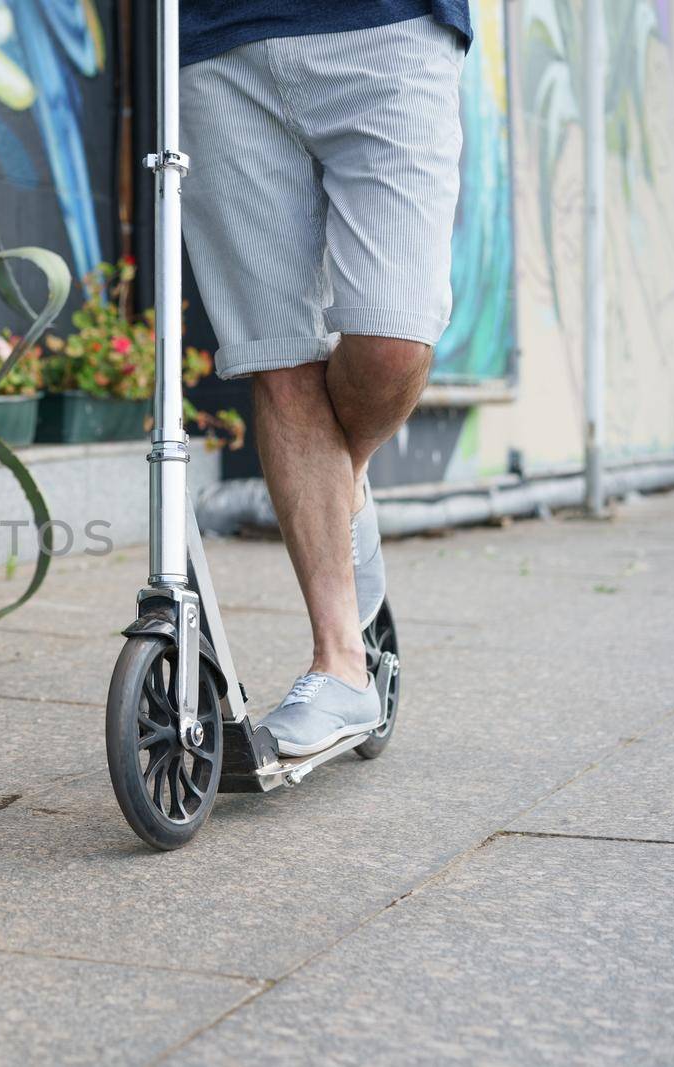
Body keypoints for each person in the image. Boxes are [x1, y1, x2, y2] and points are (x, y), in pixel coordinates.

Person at [178, 2, 470, 756]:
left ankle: (348, 483)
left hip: (389, 25)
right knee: (277, 357)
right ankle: (340, 663)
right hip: (217, 39)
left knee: (392, 345)